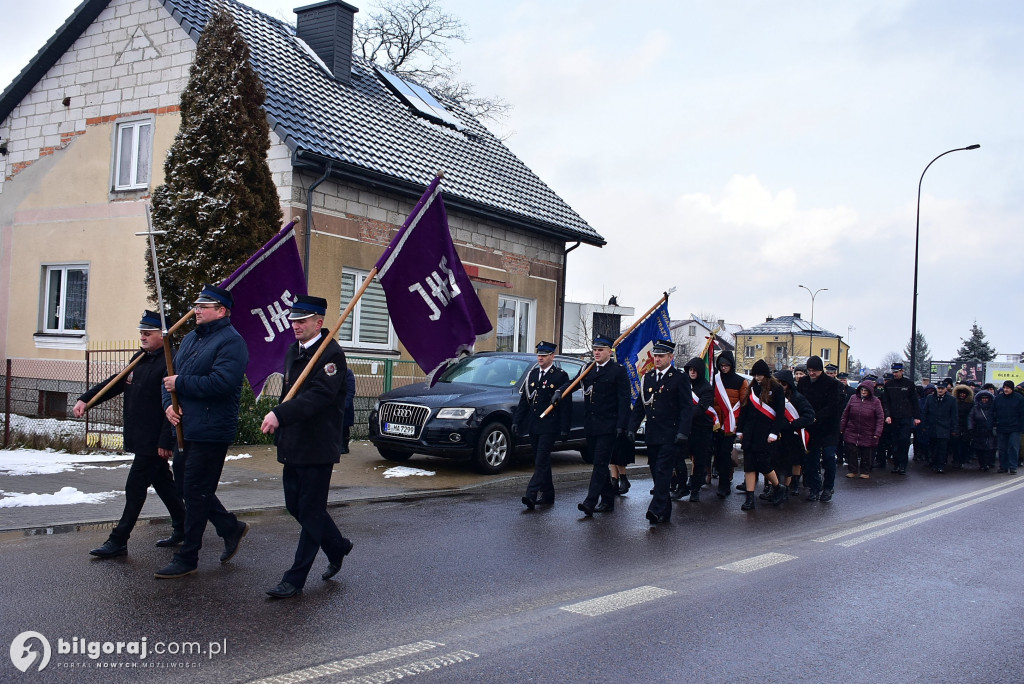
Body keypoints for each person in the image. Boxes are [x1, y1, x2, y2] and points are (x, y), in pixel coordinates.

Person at [260, 295, 353, 599]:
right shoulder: (293, 352)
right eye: (293, 321)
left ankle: (294, 580)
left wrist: (279, 415)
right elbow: (290, 393)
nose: (296, 326)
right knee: (295, 506)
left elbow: (316, 399)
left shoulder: (332, 356)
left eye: (302, 321)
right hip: (294, 444)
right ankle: (337, 545)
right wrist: (280, 426)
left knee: (311, 512)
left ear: (319, 322)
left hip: (317, 446)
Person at [155, 284, 250, 579]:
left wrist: (180, 384)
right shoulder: (190, 339)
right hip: (185, 427)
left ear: (222, 311)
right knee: (187, 487)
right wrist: (168, 406)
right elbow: (168, 381)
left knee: (195, 492)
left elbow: (222, 383)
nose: (196, 310)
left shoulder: (232, 342)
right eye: (196, 305)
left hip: (211, 430)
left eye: (203, 306)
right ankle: (229, 527)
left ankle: (188, 556)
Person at [73, 310, 186, 558]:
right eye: (141, 332)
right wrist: (86, 399)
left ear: (163, 335)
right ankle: (184, 527)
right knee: (164, 485)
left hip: (154, 440)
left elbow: (175, 404)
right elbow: (117, 382)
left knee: (134, 487)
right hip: (140, 435)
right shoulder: (141, 358)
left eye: (148, 332)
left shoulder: (171, 361)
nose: (143, 336)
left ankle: (119, 539)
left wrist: (166, 440)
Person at [628, 340, 692, 524]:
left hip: (671, 433)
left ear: (670, 357)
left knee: (664, 471)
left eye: (661, 356)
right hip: (653, 434)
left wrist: (683, 431)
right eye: (655, 355)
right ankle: (665, 510)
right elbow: (640, 406)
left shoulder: (679, 378)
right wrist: (632, 428)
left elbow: (686, 408)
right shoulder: (647, 378)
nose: (657, 359)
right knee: (656, 471)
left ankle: (655, 509)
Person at [577, 335, 630, 516]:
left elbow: (624, 400)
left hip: (609, 426)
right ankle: (608, 500)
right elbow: (574, 383)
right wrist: (560, 392)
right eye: (595, 350)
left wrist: (622, 425)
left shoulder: (618, 371)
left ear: (609, 351)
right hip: (591, 425)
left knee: (600, 463)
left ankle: (590, 502)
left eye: (600, 350)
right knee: (598, 463)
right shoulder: (588, 369)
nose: (597, 353)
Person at [516, 341, 572, 509]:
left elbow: (566, 405)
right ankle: (548, 494)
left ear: (552, 357)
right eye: (539, 355)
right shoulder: (532, 374)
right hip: (534, 425)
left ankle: (531, 494)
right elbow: (524, 401)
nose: (540, 357)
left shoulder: (560, 376)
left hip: (550, 425)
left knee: (540, 460)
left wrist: (564, 428)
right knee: (542, 461)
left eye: (544, 355)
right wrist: (516, 421)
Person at [735, 359, 788, 510]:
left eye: (760, 375)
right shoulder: (751, 389)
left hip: (766, 433)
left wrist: (774, 432)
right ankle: (750, 498)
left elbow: (779, 414)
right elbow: (744, 411)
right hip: (750, 432)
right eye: (755, 375)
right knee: (749, 465)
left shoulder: (776, 389)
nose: (757, 378)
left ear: (766, 375)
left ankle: (778, 487)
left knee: (764, 464)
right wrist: (740, 429)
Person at [797, 355, 842, 502]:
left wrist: (817, 416)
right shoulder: (803, 382)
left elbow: (833, 406)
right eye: (809, 370)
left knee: (829, 457)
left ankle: (828, 487)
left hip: (828, 426)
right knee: (811, 459)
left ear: (820, 370)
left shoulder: (832, 384)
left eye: (814, 371)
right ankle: (814, 488)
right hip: (811, 427)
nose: (812, 373)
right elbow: (799, 401)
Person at [711, 350, 749, 498]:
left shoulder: (740, 381)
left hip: (731, 424)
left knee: (725, 455)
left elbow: (743, 403)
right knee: (718, 454)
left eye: (726, 365)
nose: (723, 368)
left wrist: (737, 424)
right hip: (716, 424)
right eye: (721, 365)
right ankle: (720, 480)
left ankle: (724, 484)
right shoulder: (715, 380)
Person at [772, 369, 814, 496]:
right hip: (778, 434)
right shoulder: (772, 396)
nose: (780, 386)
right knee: (776, 461)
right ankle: (775, 486)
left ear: (788, 384)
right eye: (777, 383)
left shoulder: (797, 398)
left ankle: (793, 484)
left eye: (783, 384)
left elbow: (809, 415)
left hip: (793, 435)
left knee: (795, 461)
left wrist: (793, 424)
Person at [680, 356, 715, 503]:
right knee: (678, 455)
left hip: (702, 428)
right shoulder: (684, 384)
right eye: (690, 370)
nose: (692, 372)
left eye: (695, 370)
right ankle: (681, 485)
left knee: (699, 459)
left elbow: (701, 408)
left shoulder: (706, 388)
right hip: (687, 428)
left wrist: (684, 415)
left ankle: (695, 489)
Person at [880, 362, 921, 475]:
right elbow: (886, 402)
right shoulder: (889, 385)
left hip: (905, 417)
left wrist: (917, 417)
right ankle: (896, 464)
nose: (895, 374)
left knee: (904, 440)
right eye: (893, 372)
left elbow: (914, 401)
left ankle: (903, 465)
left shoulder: (909, 384)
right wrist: (887, 415)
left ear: (902, 371)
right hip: (893, 418)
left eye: (897, 372)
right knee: (895, 442)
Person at [840, 379, 885, 478]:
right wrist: (842, 427)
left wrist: (877, 432)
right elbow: (845, 414)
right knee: (851, 450)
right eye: (862, 390)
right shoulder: (853, 398)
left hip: (868, 430)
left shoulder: (876, 402)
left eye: (865, 390)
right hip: (852, 428)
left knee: (866, 452)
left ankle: (865, 471)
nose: (863, 392)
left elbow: (880, 418)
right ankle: (853, 470)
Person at [922, 380, 958, 473]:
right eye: (939, 388)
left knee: (942, 448)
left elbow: (954, 415)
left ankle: (940, 465)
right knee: (933, 447)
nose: (940, 390)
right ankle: (934, 463)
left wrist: (954, 429)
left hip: (944, 428)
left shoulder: (951, 400)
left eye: (942, 388)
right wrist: (924, 425)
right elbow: (925, 412)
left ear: (946, 389)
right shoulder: (930, 398)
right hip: (932, 426)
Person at [993, 380, 1024, 474]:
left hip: (1015, 427)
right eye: (1005, 387)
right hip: (1002, 427)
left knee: (1013, 447)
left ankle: (1013, 466)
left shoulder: (1019, 398)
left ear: (1012, 389)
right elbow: (994, 412)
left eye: (1008, 388)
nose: (1006, 390)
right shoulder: (998, 398)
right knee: (1002, 448)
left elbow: (1022, 414)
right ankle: (1003, 466)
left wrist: (1021, 427)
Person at [968, 389, 997, 471]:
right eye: (983, 398)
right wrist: (970, 428)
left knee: (989, 448)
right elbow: (970, 418)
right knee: (979, 449)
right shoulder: (975, 408)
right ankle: (982, 464)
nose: (984, 399)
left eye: (986, 398)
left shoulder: (993, 408)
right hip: (978, 430)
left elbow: (996, 417)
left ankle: (987, 463)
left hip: (989, 430)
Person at [951, 384, 975, 469]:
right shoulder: (954, 402)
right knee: (955, 444)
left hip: (966, 426)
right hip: (956, 425)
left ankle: (962, 459)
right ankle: (956, 460)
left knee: (964, 444)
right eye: (960, 393)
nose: (962, 395)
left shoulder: (971, 403)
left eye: (964, 393)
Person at [341, 367, 356, 454]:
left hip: (344, 406)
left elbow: (351, 390)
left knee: (344, 427)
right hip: (333, 405)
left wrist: (345, 404)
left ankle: (344, 446)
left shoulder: (347, 372)